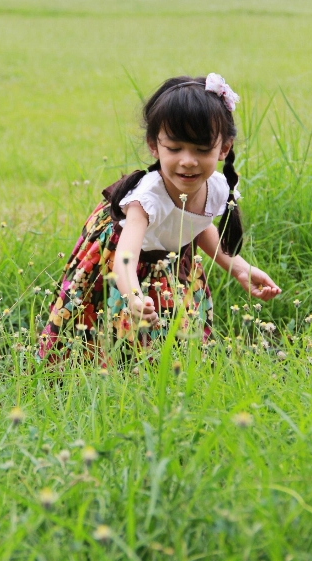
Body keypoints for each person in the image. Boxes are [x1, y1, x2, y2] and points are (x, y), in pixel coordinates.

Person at [40, 74, 281, 362]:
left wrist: (240, 269)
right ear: (154, 145)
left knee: (171, 334)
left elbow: (199, 225)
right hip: (118, 261)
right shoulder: (147, 198)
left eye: (202, 149)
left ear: (224, 148)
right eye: (175, 148)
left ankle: (163, 383)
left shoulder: (218, 187)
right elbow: (124, 257)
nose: (188, 160)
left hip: (170, 261)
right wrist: (132, 296)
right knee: (98, 329)